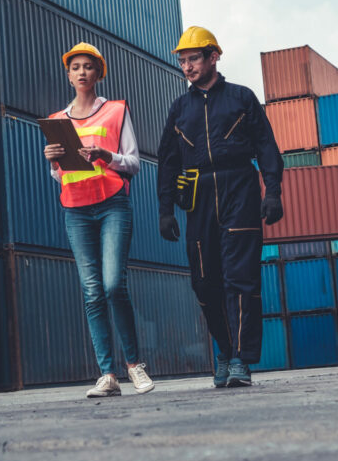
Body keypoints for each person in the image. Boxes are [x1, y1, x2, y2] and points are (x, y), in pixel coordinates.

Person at [157, 26, 284, 388]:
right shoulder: (179, 108)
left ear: (214, 56)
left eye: (193, 58)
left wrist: (271, 191)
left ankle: (241, 360)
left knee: (240, 279)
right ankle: (225, 353)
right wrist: (166, 209)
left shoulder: (242, 98)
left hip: (239, 188)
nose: (187, 66)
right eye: (182, 60)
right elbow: (167, 160)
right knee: (204, 281)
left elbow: (266, 147)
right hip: (198, 197)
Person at [43, 42, 155, 398]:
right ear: (68, 74)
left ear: (98, 73)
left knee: (112, 286)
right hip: (75, 209)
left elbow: (134, 163)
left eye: (88, 67)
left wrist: (106, 155)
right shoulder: (58, 121)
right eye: (75, 66)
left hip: (112, 206)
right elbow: (62, 176)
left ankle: (135, 365)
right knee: (92, 292)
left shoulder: (116, 111)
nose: (81, 72)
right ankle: (107, 375)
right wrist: (54, 164)